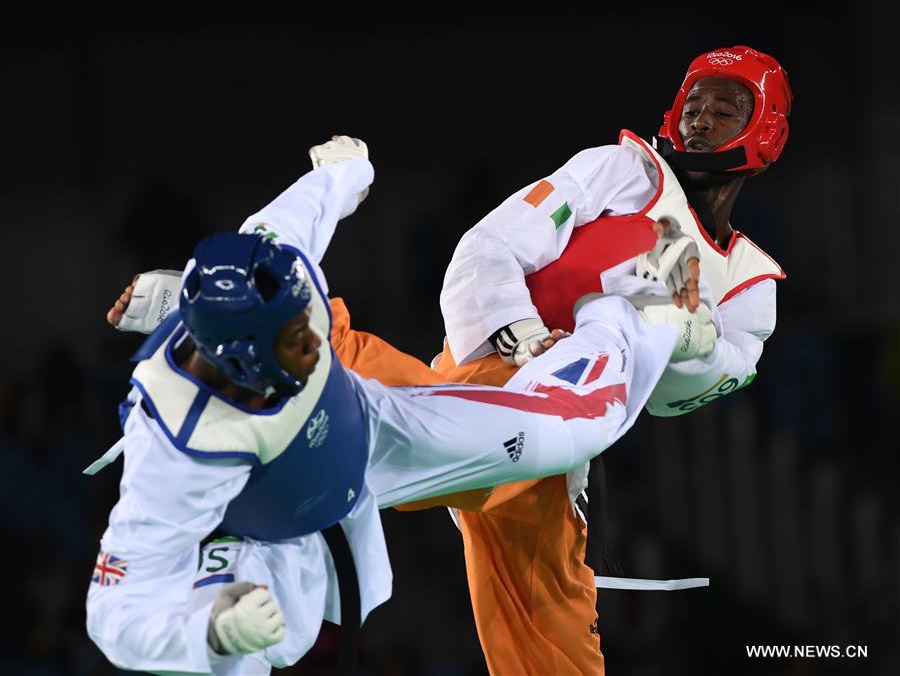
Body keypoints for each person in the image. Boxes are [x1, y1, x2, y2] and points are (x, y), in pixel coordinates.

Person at [85, 135, 702, 674]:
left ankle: (646, 307)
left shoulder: (272, 261)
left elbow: (307, 207)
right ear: (242, 360)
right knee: (246, 644)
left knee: (569, 431)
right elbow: (112, 614)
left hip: (369, 423)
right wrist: (208, 634)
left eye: (304, 322)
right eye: (294, 340)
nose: (309, 337)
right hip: (261, 513)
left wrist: (348, 171)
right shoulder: (171, 448)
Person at [428, 45, 792, 674]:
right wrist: (521, 336)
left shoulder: (747, 282)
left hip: (569, 432)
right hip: (489, 375)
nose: (699, 120)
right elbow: (488, 245)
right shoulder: (622, 171)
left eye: (727, 110)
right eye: (692, 105)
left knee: (550, 641)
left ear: (765, 133)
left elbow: (677, 396)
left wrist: (691, 337)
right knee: (384, 440)